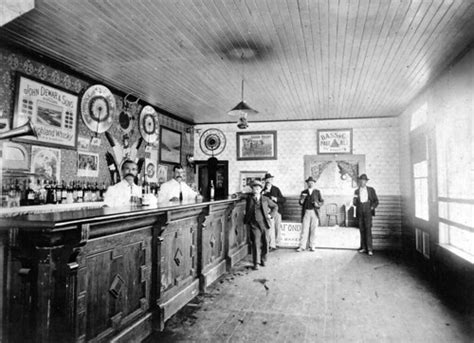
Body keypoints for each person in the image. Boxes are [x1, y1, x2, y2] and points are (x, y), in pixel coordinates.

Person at [244, 180, 278, 270]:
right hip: (254, 224)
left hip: (264, 223)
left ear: (261, 190)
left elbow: (275, 206)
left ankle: (263, 259)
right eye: (254, 188)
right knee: (255, 242)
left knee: (266, 242)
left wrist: (271, 215)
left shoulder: (265, 199)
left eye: (258, 188)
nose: (256, 190)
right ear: (252, 189)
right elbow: (239, 196)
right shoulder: (249, 198)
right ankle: (256, 263)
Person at [353, 174, 379, 256]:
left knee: (368, 229)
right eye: (360, 180)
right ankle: (363, 248)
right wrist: (355, 201)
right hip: (360, 210)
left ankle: (369, 249)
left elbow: (376, 201)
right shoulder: (356, 191)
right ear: (359, 181)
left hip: (368, 210)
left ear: (366, 181)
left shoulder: (371, 190)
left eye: (364, 180)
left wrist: (371, 207)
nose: (362, 182)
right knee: (361, 229)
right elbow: (355, 202)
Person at [297, 176, 324, 252]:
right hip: (306, 212)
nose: (310, 184)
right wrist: (301, 201)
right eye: (309, 183)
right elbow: (300, 203)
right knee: (304, 229)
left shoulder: (317, 192)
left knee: (314, 230)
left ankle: (312, 246)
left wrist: (317, 204)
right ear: (307, 183)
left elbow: (322, 201)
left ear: (314, 183)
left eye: (312, 183)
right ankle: (302, 246)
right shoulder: (304, 192)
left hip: (314, 212)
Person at [261, 172, 286, 251]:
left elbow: (283, 199)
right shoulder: (262, 190)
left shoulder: (276, 189)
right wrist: (263, 193)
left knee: (277, 227)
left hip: (277, 211)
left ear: (272, 180)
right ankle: (271, 245)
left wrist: (276, 199)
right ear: (265, 181)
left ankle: (277, 243)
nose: (268, 181)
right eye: (267, 180)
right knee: (270, 227)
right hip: (268, 212)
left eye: (270, 180)